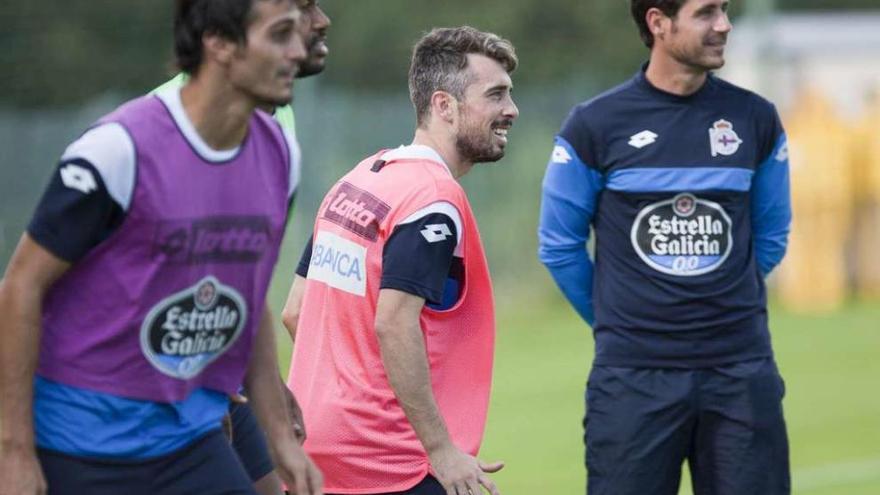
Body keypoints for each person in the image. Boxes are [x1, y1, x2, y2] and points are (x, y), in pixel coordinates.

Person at [0, 1, 323, 494]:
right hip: (79, 443)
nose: (299, 51)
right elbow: (20, 286)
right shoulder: (117, 150)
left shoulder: (281, 156)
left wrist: (279, 435)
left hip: (187, 439)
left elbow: (248, 298)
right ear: (219, 42)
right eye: (281, 35)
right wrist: (14, 452)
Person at [538, 0, 792, 493]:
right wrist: (620, 318)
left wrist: (716, 304)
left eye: (724, 10)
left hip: (740, 372)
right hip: (633, 379)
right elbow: (559, 246)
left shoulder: (754, 118)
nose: (723, 25)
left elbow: (771, 235)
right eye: (705, 13)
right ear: (658, 22)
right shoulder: (594, 125)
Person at [281, 26, 518, 495]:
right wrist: (441, 450)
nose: (511, 110)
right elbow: (393, 322)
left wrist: (347, 391)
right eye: (495, 95)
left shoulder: (360, 179)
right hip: (390, 464)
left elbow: (294, 311)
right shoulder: (433, 198)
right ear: (443, 106)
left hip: (317, 449)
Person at [150, 2, 331, 494]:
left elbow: (237, 284)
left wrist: (267, 384)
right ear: (224, 42)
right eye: (299, 12)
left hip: (218, 370)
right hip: (140, 396)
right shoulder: (153, 134)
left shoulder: (276, 128)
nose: (316, 25)